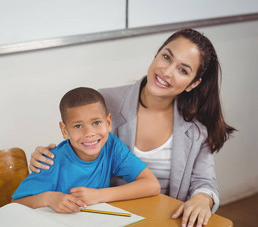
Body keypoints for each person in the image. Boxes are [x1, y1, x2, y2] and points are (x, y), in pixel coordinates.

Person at [29, 29, 236, 227]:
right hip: (108, 218)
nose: (167, 71)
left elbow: (204, 180)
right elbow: (76, 149)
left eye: (183, 70)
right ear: (156, 55)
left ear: (193, 83)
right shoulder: (106, 102)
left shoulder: (197, 126)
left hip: (168, 221)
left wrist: (202, 198)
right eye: (166, 57)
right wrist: (47, 157)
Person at [12, 87, 160, 213]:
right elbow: (16, 203)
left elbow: (152, 185)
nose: (89, 133)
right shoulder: (51, 161)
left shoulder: (112, 146)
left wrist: (99, 195)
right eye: (77, 126)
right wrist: (49, 199)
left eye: (96, 122)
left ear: (108, 123)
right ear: (64, 130)